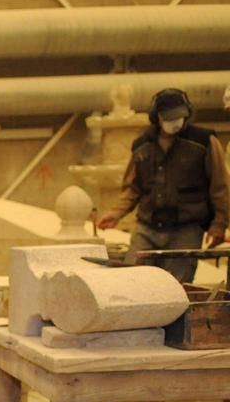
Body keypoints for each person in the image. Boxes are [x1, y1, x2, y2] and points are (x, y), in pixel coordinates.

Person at [96, 88, 229, 283]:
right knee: (133, 281)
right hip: (148, 227)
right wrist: (115, 213)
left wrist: (219, 224)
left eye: (180, 117)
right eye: (170, 117)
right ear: (157, 117)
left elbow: (220, 187)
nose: (176, 122)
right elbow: (133, 188)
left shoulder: (204, 142)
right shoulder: (142, 146)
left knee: (176, 286)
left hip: (187, 228)